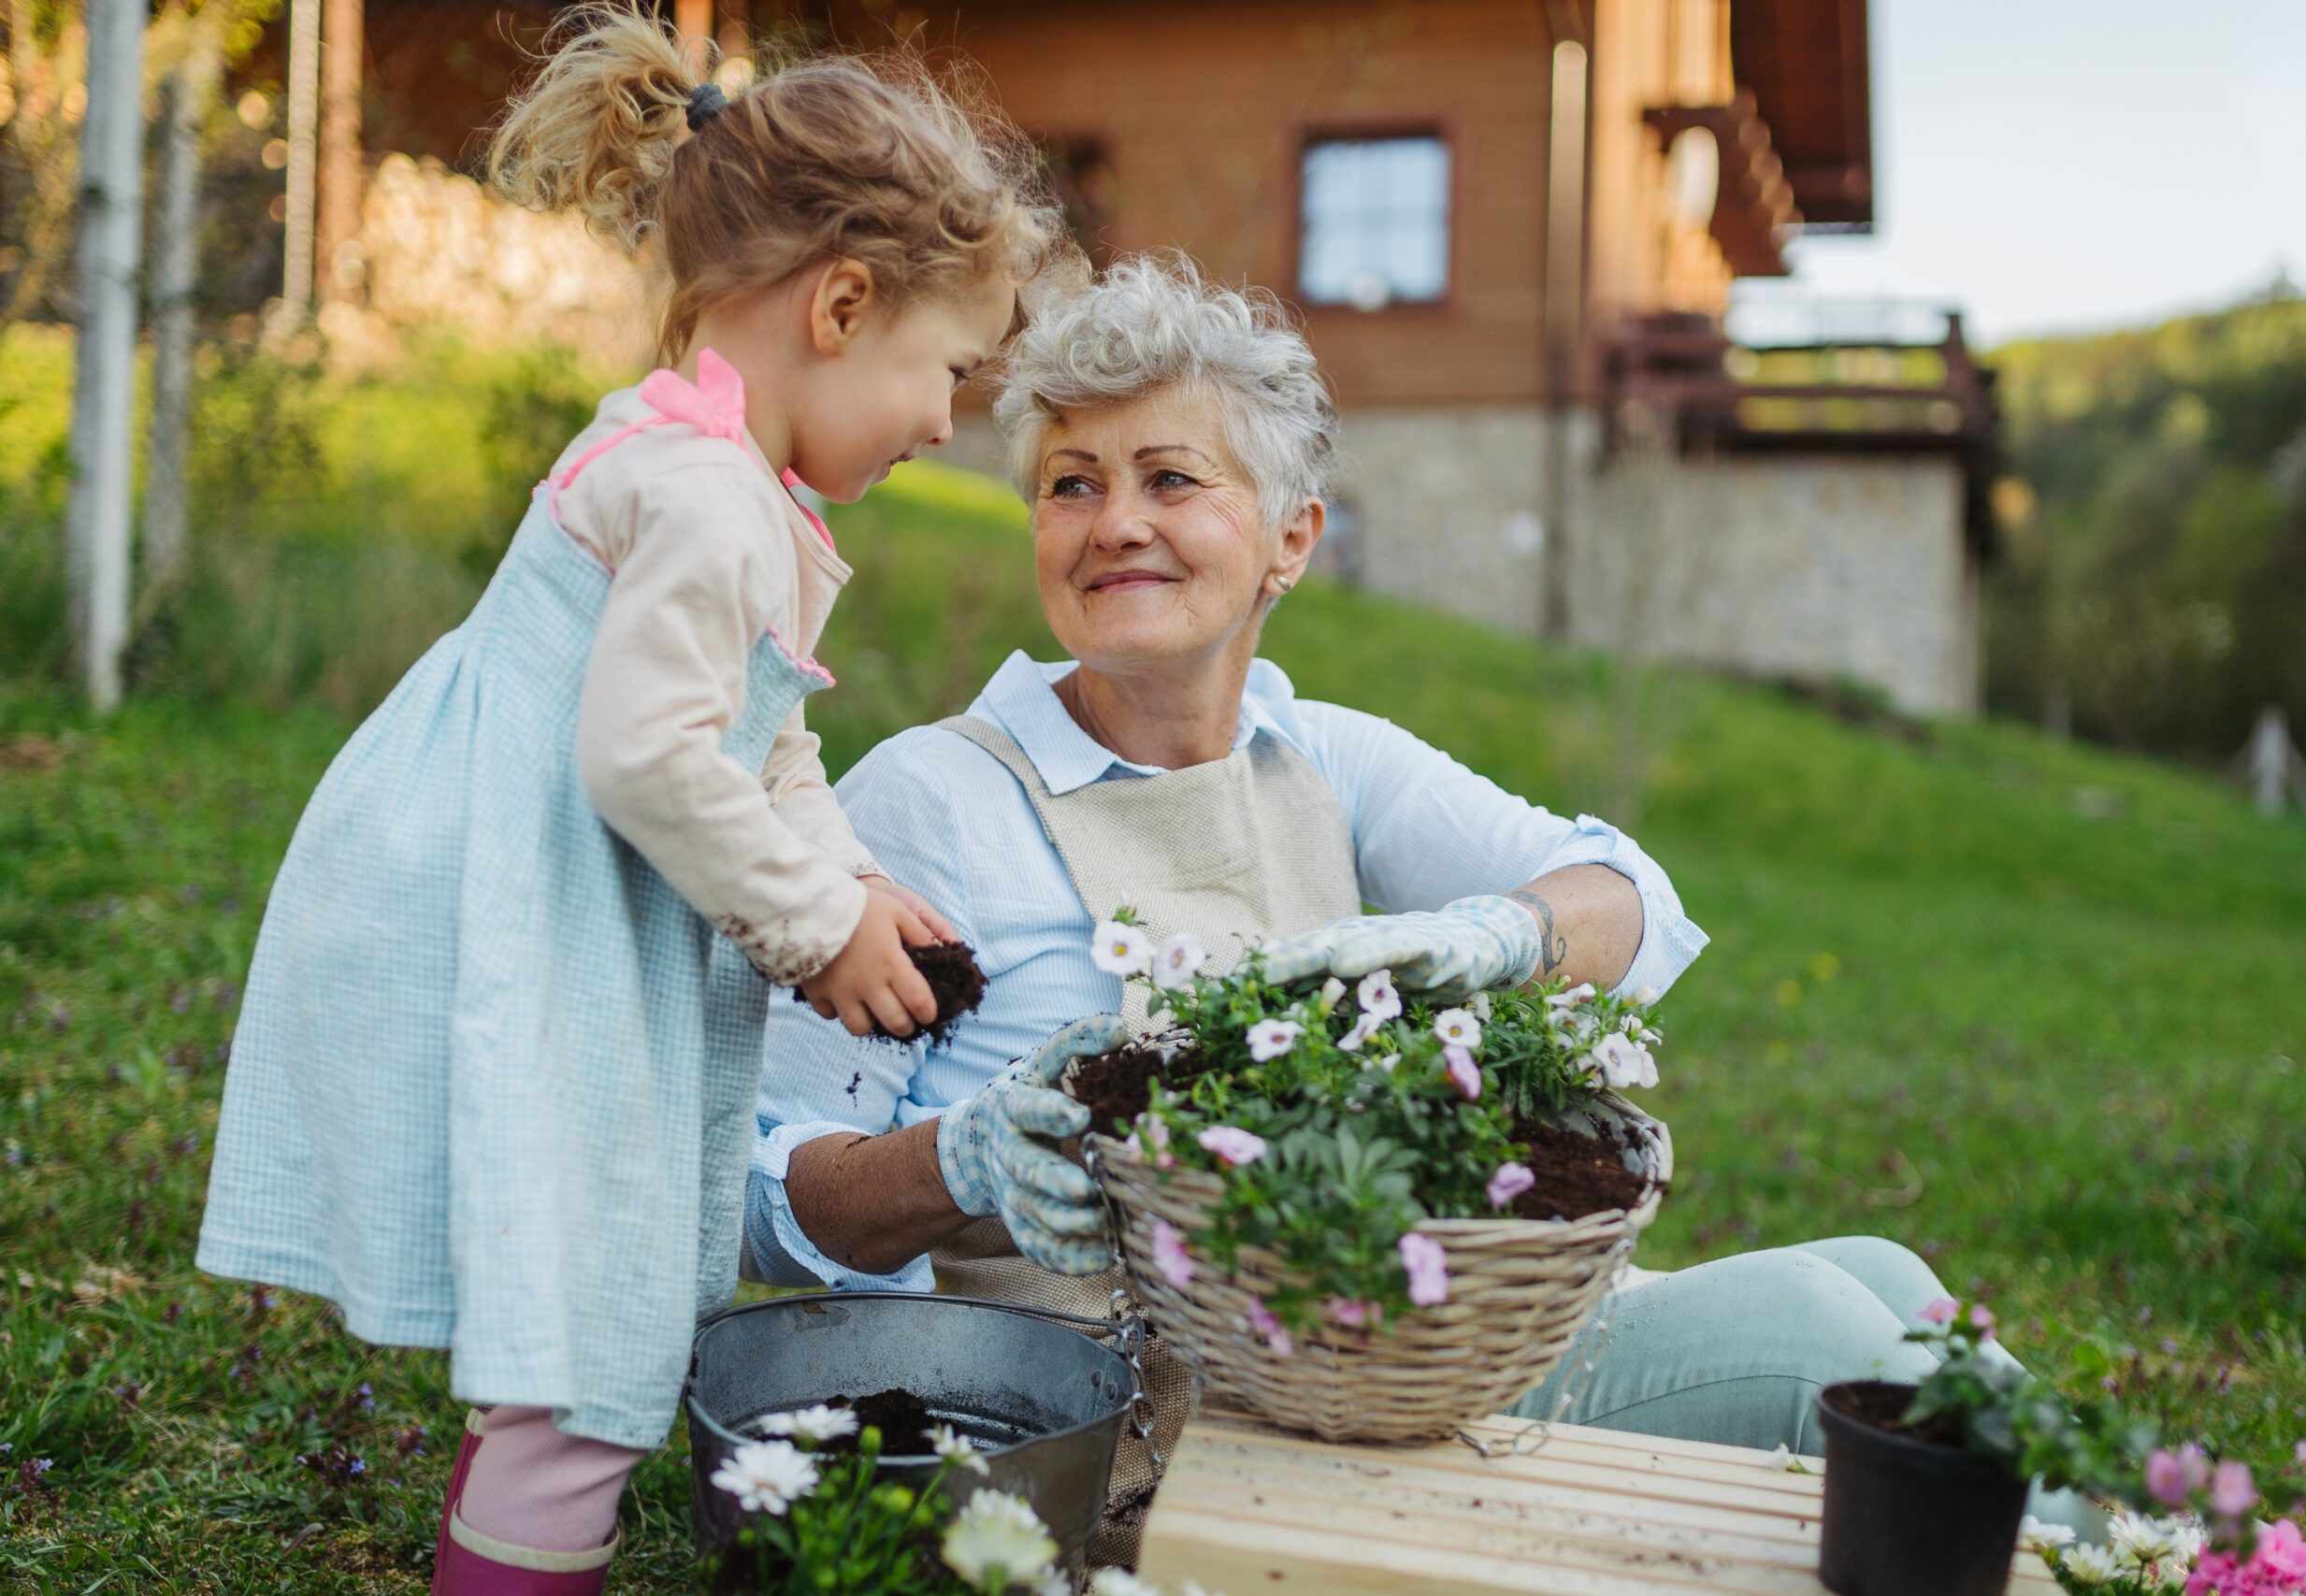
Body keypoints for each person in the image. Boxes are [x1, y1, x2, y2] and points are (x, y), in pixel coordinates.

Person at [746, 254, 2102, 1552]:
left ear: (1290, 542)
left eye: (1171, 478)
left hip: (1386, 1343)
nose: (1115, 524)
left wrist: (1498, 934)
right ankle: (2149, 1565)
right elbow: (761, 1182)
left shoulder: (1318, 755)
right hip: (1184, 1430)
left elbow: (1633, 898)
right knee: (1821, 1325)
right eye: (1070, 483)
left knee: (1882, 1270)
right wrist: (956, 1160)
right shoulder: (934, 795)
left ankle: (2126, 1556)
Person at [195, 9, 1059, 1589]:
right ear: (843, 302)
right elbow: (647, 757)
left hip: (546, 903)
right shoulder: (712, 499)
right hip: (520, 908)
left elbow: (761, 738)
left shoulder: (726, 477)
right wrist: (809, 931)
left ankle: (512, 1486)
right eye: (946, 371)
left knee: (574, 1298)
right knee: (591, 1354)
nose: (950, 420)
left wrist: (851, 887)